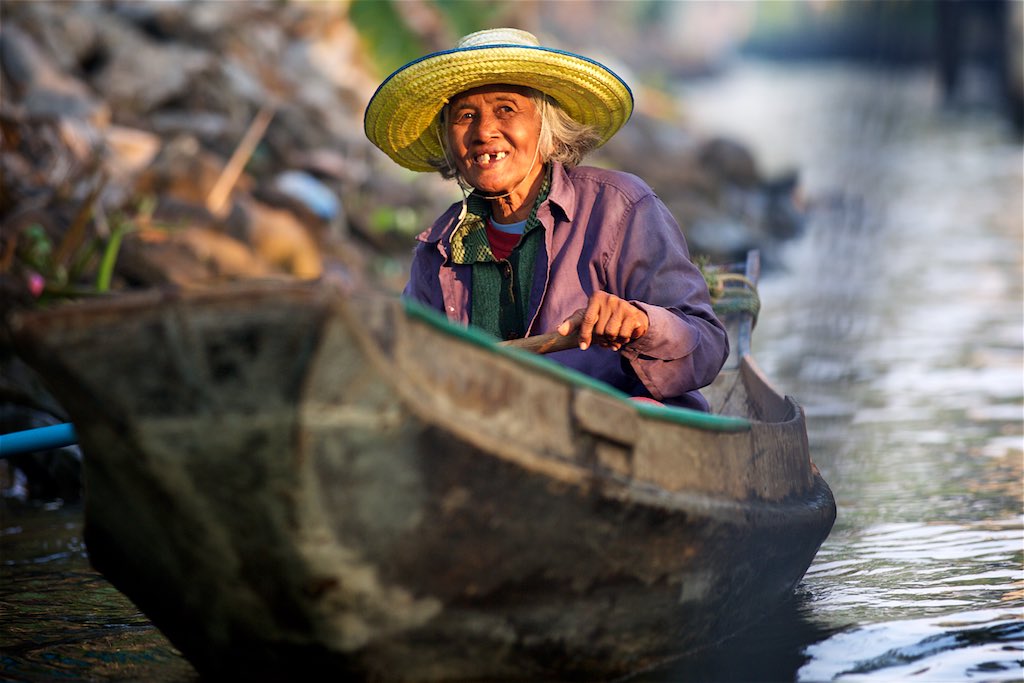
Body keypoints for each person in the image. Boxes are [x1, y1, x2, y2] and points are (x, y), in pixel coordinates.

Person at [363, 28, 728, 411]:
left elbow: (707, 346)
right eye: (466, 115)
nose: (484, 131)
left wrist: (641, 323)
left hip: (617, 434)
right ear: (450, 145)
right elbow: (409, 364)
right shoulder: (438, 248)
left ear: (548, 132)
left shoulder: (620, 208)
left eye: (506, 109)